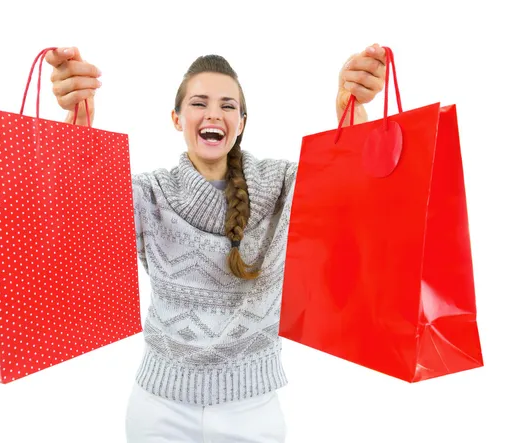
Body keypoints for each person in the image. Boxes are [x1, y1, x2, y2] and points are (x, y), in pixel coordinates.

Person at [45, 44, 387, 442]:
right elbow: (74, 227)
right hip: (159, 410)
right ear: (177, 119)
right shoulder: (149, 193)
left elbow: (353, 197)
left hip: (253, 410)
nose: (213, 114)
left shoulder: (283, 187)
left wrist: (354, 117)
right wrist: (75, 133)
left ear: (241, 123)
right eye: (198, 103)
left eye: (228, 105)